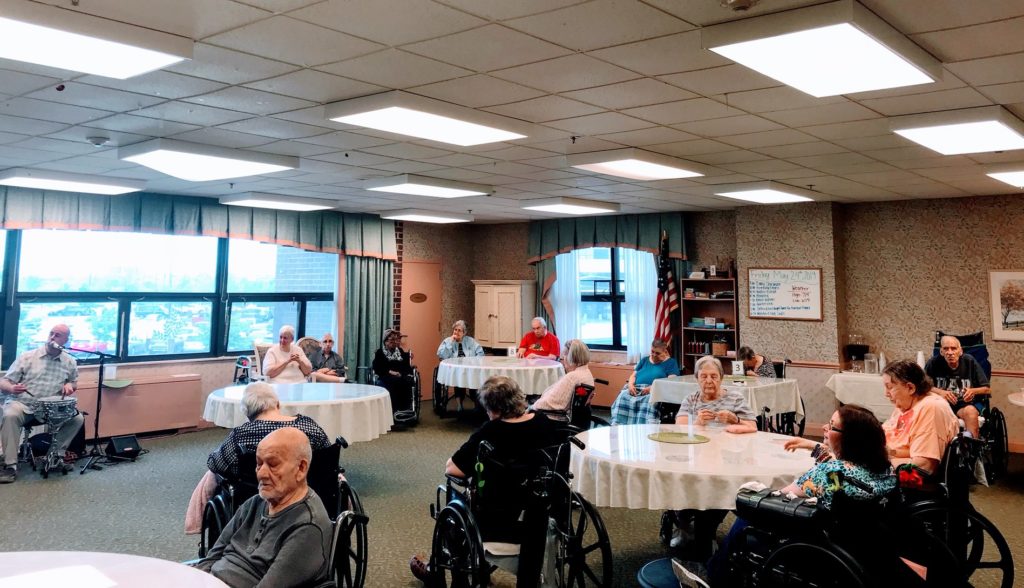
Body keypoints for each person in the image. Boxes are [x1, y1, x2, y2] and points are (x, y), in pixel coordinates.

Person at [704, 404, 898, 586]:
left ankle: (714, 576)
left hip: (820, 542)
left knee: (745, 518)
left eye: (831, 426)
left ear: (850, 439)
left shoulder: (829, 472)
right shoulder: (884, 468)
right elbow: (840, 467)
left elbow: (780, 495)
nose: (824, 427)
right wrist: (812, 446)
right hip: (862, 541)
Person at [410, 375, 565, 585]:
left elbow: (453, 469)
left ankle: (440, 569)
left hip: (499, 521)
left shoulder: (492, 431)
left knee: (455, 506)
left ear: (494, 409)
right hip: (542, 515)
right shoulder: (543, 423)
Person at [193, 427, 333, 587]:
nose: (262, 474)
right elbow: (213, 556)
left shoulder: (307, 526)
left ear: (301, 468)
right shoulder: (255, 503)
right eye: (259, 464)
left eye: (273, 465)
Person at [669, 355, 757, 556]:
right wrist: (698, 422)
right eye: (704, 376)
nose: (709, 381)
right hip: (697, 457)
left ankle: (706, 530)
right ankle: (684, 524)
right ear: (697, 378)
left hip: (728, 458)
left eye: (714, 376)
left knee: (719, 489)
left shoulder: (735, 398)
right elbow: (679, 428)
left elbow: (753, 427)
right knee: (682, 480)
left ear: (721, 378)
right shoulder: (691, 400)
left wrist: (734, 419)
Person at [0, 324, 84, 484]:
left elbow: (73, 383)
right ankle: (10, 465)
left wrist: (69, 386)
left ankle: (54, 457)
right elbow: (3, 381)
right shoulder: (27, 357)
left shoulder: (69, 361)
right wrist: (11, 388)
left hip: (51, 408)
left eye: (58, 335)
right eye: (51, 333)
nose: (52, 337)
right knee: (10, 414)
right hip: (23, 404)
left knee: (77, 419)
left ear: (66, 340)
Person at [208, 382, 330, 479]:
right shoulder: (308, 426)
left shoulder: (241, 435)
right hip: (306, 491)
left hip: (256, 497)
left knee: (210, 477)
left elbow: (215, 464)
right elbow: (329, 458)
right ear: (277, 404)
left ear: (247, 413)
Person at [882, 359, 958, 477]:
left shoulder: (931, 408)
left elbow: (924, 466)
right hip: (890, 467)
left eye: (889, 387)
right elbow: (908, 448)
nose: (886, 393)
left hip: (910, 483)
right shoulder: (905, 404)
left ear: (910, 388)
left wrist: (876, 463)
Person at [924, 336, 990, 439]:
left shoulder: (969, 361)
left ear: (960, 351)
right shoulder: (933, 363)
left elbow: (986, 388)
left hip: (963, 405)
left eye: (953, 348)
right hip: (940, 405)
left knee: (970, 411)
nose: (950, 352)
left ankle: (971, 446)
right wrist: (940, 392)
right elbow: (923, 386)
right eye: (946, 348)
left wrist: (972, 391)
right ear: (941, 351)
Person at [610, 339, 680, 425]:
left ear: (664, 352)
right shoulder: (644, 360)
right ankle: (618, 424)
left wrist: (652, 388)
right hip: (636, 388)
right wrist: (631, 385)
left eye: (657, 353)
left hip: (655, 390)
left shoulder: (671, 363)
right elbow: (633, 375)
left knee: (649, 400)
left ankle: (644, 426)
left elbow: (670, 382)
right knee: (622, 396)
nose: (654, 355)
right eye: (652, 351)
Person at [531, 339, 594, 414]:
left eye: (563, 356)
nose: (563, 360)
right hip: (581, 415)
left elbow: (551, 403)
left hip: (558, 417)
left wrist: (532, 407)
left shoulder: (572, 377)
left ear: (571, 357)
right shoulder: (586, 371)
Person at [373, 328, 415, 415]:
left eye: (395, 339)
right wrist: (390, 372)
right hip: (386, 376)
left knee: (408, 381)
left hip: (400, 375)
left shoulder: (400, 352)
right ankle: (393, 410)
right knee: (392, 383)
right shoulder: (380, 353)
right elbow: (377, 367)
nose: (394, 342)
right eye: (391, 340)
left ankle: (405, 409)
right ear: (385, 341)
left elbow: (406, 365)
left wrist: (409, 361)